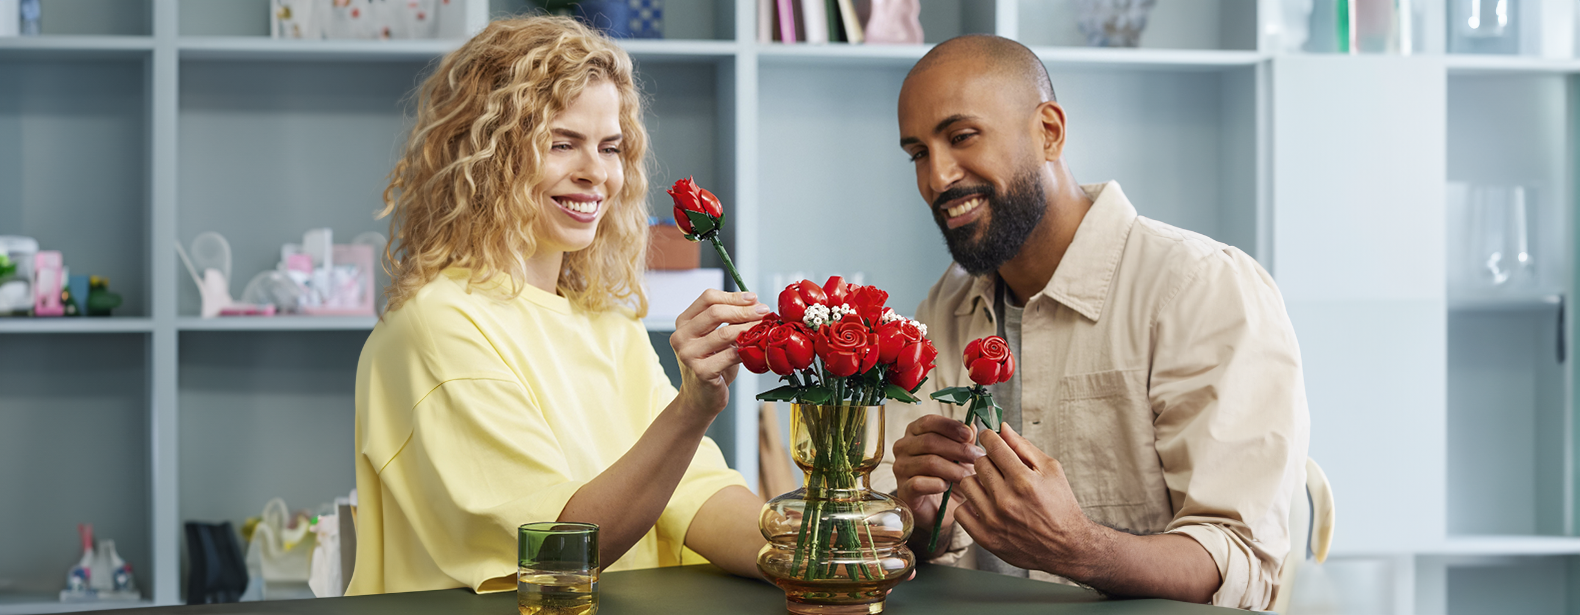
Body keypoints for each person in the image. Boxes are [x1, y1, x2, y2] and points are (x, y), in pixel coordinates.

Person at [880, 34, 1310, 610]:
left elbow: (1241, 564)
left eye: (961, 137)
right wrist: (922, 519)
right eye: (918, 154)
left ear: (1049, 132)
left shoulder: (1201, 288)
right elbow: (918, 535)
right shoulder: (945, 307)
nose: (937, 177)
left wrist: (1077, 548)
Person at [346, 16, 768, 594]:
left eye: (610, 147)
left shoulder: (607, 321)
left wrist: (810, 551)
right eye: (560, 143)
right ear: (486, 154)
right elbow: (558, 547)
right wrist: (692, 408)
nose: (596, 174)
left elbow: (693, 492)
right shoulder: (438, 326)